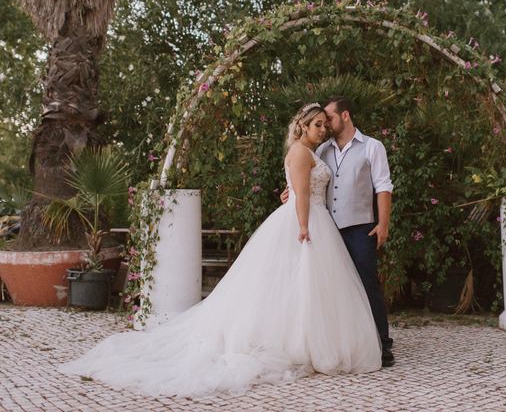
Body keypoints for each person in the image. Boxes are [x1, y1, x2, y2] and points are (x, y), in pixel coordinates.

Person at [59, 104, 382, 397]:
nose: (323, 130)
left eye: (325, 125)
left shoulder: (316, 151)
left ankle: (313, 341)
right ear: (303, 127)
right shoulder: (301, 152)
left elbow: (302, 188)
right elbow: (300, 194)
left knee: (308, 288)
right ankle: (301, 344)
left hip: (316, 218)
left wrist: (299, 202)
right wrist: (302, 226)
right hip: (306, 221)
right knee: (298, 284)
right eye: (317, 125)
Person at [282, 97, 395, 367]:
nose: (325, 125)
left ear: (345, 115)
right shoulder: (321, 151)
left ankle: (382, 344)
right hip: (327, 228)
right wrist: (291, 193)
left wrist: (383, 223)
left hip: (360, 227)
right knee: (333, 288)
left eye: (329, 118)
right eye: (320, 122)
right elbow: (304, 181)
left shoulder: (372, 146)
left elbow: (383, 186)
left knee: (367, 284)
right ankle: (342, 343)